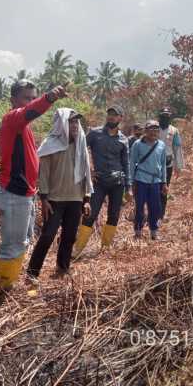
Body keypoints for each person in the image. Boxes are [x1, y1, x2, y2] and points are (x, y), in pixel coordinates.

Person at [0, 80, 67, 290]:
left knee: (22, 240)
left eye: (33, 97)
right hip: (15, 192)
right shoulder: (12, 119)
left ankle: (7, 283)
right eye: (27, 98)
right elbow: (31, 111)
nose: (30, 102)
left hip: (25, 193)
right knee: (13, 245)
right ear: (13, 100)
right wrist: (49, 97)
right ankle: (3, 291)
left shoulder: (22, 127)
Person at [25, 108, 93, 282]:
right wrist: (44, 198)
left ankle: (62, 268)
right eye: (71, 122)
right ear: (61, 123)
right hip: (54, 199)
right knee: (47, 235)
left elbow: (86, 173)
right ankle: (32, 272)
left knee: (69, 236)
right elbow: (44, 174)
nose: (75, 125)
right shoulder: (50, 145)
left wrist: (86, 199)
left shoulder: (80, 144)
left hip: (75, 199)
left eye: (76, 122)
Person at [73, 105, 131, 256]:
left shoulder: (124, 139)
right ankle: (77, 249)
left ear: (120, 118)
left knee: (113, 215)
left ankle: (105, 248)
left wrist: (129, 187)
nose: (111, 117)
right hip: (98, 182)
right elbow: (80, 151)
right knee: (90, 214)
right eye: (109, 114)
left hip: (117, 183)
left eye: (115, 115)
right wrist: (88, 171)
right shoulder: (94, 133)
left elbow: (126, 164)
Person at [130, 120, 168, 240]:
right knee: (139, 207)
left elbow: (163, 165)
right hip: (140, 180)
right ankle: (138, 231)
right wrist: (131, 182)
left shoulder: (161, 145)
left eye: (156, 129)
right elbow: (131, 163)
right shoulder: (137, 144)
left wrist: (164, 182)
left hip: (155, 181)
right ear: (145, 131)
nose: (153, 132)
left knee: (155, 208)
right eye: (150, 129)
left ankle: (154, 231)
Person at [157, 107, 183, 220]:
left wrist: (178, 166)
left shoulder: (174, 131)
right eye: (163, 115)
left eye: (167, 116)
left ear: (170, 117)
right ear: (159, 117)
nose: (165, 118)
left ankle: (161, 213)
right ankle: (152, 212)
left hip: (168, 165)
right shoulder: (154, 128)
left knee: (164, 188)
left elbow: (177, 148)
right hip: (153, 164)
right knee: (152, 188)